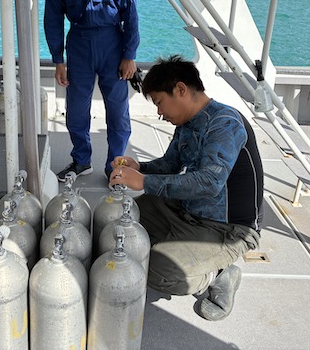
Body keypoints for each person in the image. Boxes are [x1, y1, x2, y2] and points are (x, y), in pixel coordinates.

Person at [108, 55, 263, 321]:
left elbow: (209, 183)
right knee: (125, 219)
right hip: (187, 209)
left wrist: (142, 182)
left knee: (157, 271)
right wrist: (140, 167)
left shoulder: (225, 123)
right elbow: (170, 164)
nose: (159, 112)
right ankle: (181, 249)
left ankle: (220, 275)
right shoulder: (187, 124)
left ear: (180, 89)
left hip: (229, 229)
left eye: (159, 102)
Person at [44, 0, 140, 182]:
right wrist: (58, 60)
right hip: (79, 44)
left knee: (118, 110)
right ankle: (81, 160)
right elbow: (52, 19)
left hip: (112, 44)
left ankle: (115, 166)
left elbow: (130, 13)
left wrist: (129, 55)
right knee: (76, 108)